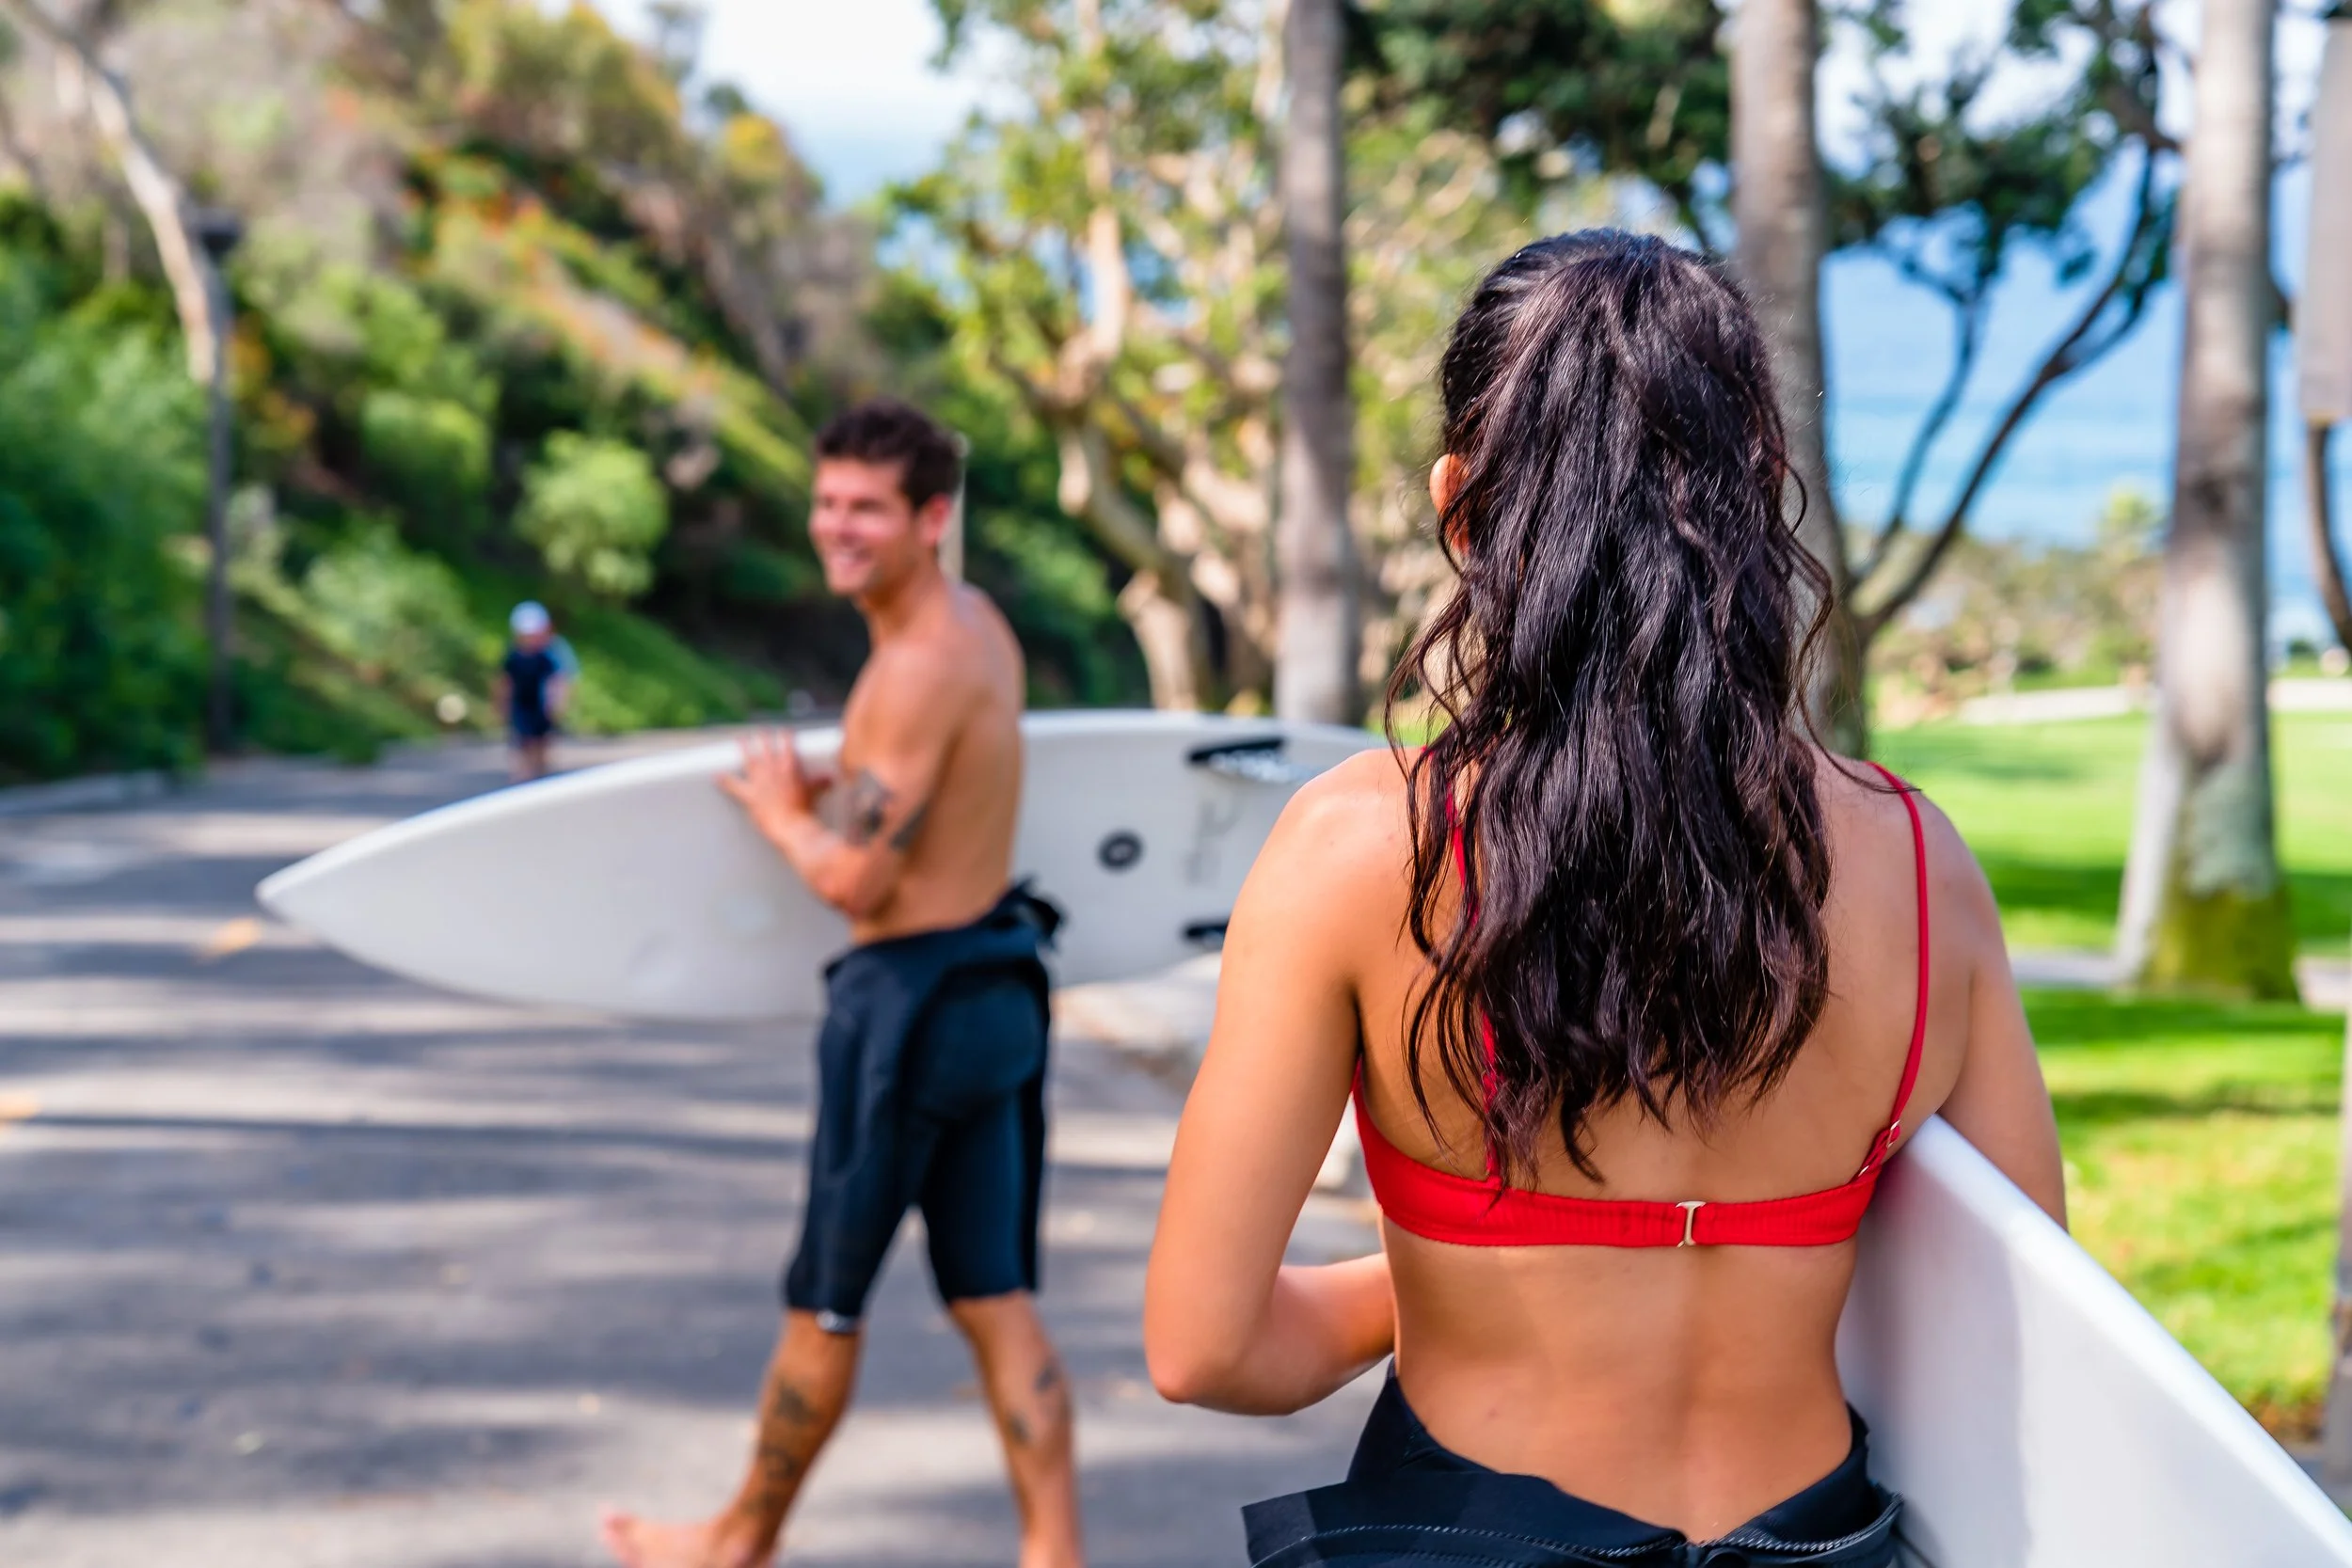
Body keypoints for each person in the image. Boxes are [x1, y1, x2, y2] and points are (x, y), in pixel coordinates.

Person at [1143, 232, 2067, 1567]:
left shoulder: (1359, 847)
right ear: (1761, 496)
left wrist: (1436, 1283)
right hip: (1820, 1541)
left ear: (1461, 502)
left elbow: (1207, 1344)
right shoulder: (1921, 864)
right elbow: (2021, 1313)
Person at [601, 400, 1082, 1568]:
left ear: (930, 517)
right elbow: (922, 790)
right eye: (826, 502)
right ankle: (1054, 1551)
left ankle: (736, 1543)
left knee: (825, 1295)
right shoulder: (976, 626)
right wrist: (850, 781)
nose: (836, 526)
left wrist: (781, 814)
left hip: (910, 1011)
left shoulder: (914, 666)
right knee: (993, 1293)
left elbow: (857, 878)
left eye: (867, 507)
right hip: (996, 988)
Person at [496, 601, 571, 782]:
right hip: (520, 704)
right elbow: (504, 681)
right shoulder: (514, 656)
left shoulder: (546, 656)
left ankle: (540, 770)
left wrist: (558, 702)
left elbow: (557, 679)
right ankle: (525, 771)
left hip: (540, 705)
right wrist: (501, 703)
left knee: (541, 739)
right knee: (522, 738)